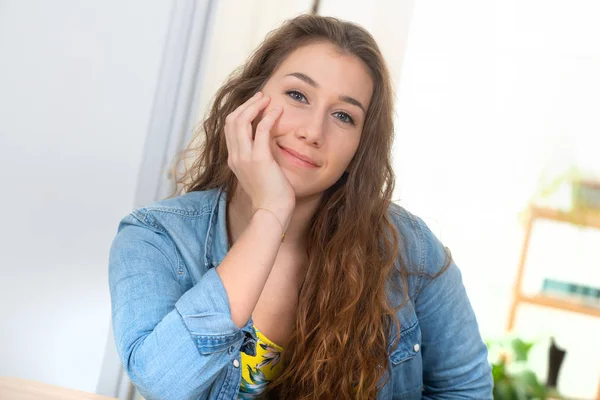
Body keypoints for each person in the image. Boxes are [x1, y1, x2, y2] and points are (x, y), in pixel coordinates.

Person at [108, 14, 492, 400]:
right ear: (249, 100)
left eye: (344, 116)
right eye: (297, 95)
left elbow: (466, 391)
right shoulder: (156, 238)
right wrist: (270, 215)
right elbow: (161, 384)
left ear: (361, 145)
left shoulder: (410, 249)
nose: (312, 131)